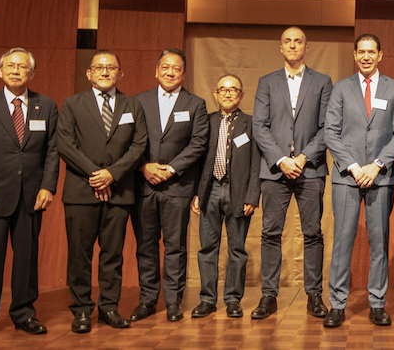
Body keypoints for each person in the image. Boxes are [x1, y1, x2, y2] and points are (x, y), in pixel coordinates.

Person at [0, 48, 59, 341]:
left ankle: (24, 313)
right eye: (10, 66)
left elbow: (52, 151)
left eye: (22, 66)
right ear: (0, 71)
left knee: (26, 260)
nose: (16, 71)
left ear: (32, 73)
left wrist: (47, 186)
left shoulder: (46, 105)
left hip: (31, 196)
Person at [58, 50, 147, 333]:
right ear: (89, 73)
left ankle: (109, 307)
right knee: (80, 254)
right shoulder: (72, 104)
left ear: (120, 74)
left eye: (111, 68)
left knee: (113, 255)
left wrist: (113, 174)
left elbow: (139, 145)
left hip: (119, 191)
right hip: (81, 191)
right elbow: (65, 144)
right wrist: (96, 175)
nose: (105, 72)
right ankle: (82, 310)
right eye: (99, 67)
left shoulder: (133, 105)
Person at [323, 33, 394, 328]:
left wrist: (377, 165)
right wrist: (354, 167)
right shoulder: (341, 88)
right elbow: (330, 132)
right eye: (361, 52)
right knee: (342, 242)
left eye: (372, 52)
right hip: (347, 177)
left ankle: (377, 303)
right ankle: (337, 304)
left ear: (380, 55)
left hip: (381, 177)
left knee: (379, 242)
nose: (366, 57)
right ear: (355, 55)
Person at [251, 27, 333, 320]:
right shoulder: (267, 82)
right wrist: (281, 160)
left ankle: (314, 295)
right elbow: (259, 125)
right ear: (281, 47)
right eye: (287, 41)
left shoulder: (322, 82)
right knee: (270, 233)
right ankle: (268, 296)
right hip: (275, 171)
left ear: (306, 48)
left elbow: (327, 127)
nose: (293, 45)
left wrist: (302, 157)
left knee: (313, 234)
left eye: (298, 41)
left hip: (310, 170)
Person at [130, 49, 209, 323]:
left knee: (175, 247)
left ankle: (173, 301)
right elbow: (128, 141)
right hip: (143, 185)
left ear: (183, 74)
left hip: (178, 186)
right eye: (165, 67)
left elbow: (199, 143)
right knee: (146, 245)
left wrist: (171, 169)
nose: (170, 72)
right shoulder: (138, 101)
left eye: (176, 68)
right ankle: (147, 300)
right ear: (156, 71)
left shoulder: (196, 104)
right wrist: (144, 166)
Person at [191, 75, 260, 319]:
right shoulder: (205, 121)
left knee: (237, 249)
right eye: (223, 89)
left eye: (233, 90)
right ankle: (207, 300)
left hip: (238, 193)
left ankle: (232, 299)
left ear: (241, 95)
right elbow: (196, 159)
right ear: (215, 94)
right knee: (207, 248)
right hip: (209, 190)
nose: (228, 94)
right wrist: (196, 193)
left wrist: (252, 195)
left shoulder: (251, 123)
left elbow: (256, 163)